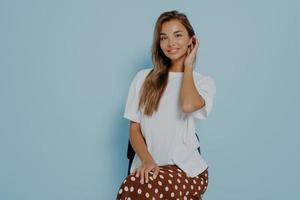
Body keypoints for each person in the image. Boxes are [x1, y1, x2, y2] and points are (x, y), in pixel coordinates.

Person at [116, 10, 216, 200]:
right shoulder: (143, 78)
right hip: (148, 167)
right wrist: (148, 161)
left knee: (138, 188)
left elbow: (187, 104)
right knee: (136, 186)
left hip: (186, 170)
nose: (170, 43)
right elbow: (134, 129)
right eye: (164, 38)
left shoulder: (203, 82)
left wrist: (187, 66)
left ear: (191, 41)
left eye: (178, 35)